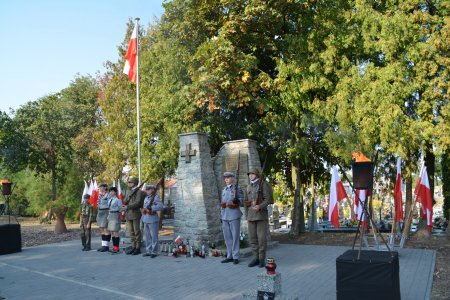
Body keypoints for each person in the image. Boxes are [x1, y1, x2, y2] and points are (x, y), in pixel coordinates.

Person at [244, 168, 273, 268]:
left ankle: (261, 259)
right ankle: (255, 258)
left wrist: (260, 206)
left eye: (252, 174)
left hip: (261, 216)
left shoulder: (263, 184)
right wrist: (246, 212)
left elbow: (267, 199)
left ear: (256, 175)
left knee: (261, 239)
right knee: (253, 239)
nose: (250, 176)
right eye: (249, 174)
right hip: (251, 216)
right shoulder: (248, 187)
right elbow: (245, 202)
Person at [220, 171, 244, 265]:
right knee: (227, 237)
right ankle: (229, 256)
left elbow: (242, 201)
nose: (226, 179)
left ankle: (236, 256)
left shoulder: (237, 188)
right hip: (225, 216)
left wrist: (237, 200)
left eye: (228, 177)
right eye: (225, 178)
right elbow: (223, 203)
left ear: (232, 178)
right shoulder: (224, 189)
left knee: (235, 237)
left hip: (234, 215)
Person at [123, 176, 145, 255]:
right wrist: (127, 197)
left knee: (136, 231)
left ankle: (137, 247)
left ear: (135, 183)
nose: (129, 184)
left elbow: (138, 202)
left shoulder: (139, 192)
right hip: (128, 214)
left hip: (135, 213)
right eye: (129, 182)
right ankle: (133, 246)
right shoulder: (128, 191)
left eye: (131, 182)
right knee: (131, 232)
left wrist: (128, 206)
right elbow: (125, 201)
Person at [141, 184, 163, 258]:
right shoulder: (146, 198)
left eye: (148, 189)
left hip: (153, 219)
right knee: (147, 237)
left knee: (154, 236)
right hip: (146, 219)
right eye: (146, 190)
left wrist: (152, 207)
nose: (146, 191)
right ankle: (148, 251)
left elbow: (161, 206)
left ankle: (154, 251)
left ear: (152, 190)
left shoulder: (156, 197)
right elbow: (145, 207)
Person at [107, 187, 123, 254]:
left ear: (115, 192)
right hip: (111, 215)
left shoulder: (117, 200)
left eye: (112, 191)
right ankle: (114, 247)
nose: (111, 192)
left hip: (115, 215)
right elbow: (109, 209)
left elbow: (121, 208)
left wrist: (118, 214)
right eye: (110, 191)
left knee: (115, 232)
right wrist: (108, 215)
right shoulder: (110, 200)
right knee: (112, 232)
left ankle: (117, 248)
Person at [96, 183, 111, 252]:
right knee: (101, 229)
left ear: (105, 187)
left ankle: (106, 246)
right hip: (100, 212)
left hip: (105, 212)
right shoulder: (99, 195)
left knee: (106, 229)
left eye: (101, 187)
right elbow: (98, 204)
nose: (100, 188)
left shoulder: (108, 195)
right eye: (99, 187)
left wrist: (109, 214)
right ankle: (103, 245)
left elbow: (110, 205)